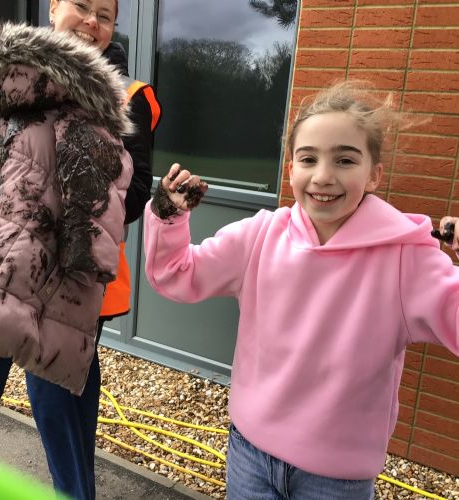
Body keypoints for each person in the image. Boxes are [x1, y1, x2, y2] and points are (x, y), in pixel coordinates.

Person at [143, 80, 459, 500]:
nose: (323, 176)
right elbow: (176, 274)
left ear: (374, 175)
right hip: (250, 454)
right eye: (309, 159)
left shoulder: (406, 257)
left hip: (336, 478)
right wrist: (167, 213)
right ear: (292, 169)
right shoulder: (260, 236)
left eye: (345, 160)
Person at [0, 2, 160, 500]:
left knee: (59, 410)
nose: (92, 22)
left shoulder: (127, 96)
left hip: (66, 285)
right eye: (82, 6)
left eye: (105, 15)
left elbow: (135, 196)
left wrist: (77, 177)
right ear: (53, 9)